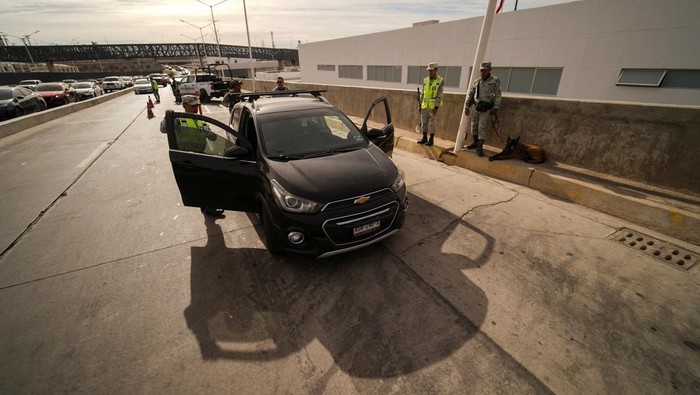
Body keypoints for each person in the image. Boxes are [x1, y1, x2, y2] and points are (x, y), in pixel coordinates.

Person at [160, 95, 225, 217]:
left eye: (197, 105)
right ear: (184, 105)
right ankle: (207, 207)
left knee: (206, 183)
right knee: (199, 184)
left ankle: (208, 205)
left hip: (202, 156)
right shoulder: (178, 119)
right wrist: (167, 118)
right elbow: (163, 129)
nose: (195, 108)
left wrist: (209, 134)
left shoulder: (200, 120)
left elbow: (212, 137)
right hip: (187, 158)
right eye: (193, 105)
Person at [464, 62, 502, 157]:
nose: (482, 72)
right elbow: (471, 94)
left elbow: (498, 94)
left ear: (489, 70)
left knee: (482, 127)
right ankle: (475, 142)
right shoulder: (477, 81)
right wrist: (466, 106)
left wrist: (496, 107)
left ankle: (479, 147)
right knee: (474, 125)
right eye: (481, 70)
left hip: (485, 108)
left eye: (484, 70)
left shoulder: (495, 80)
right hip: (475, 106)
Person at [417, 62, 444, 147]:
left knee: (432, 124)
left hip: (433, 107)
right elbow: (422, 93)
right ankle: (424, 138)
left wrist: (436, 106)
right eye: (429, 70)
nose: (429, 72)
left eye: (431, 70)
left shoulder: (440, 80)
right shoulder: (425, 80)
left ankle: (431, 140)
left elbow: (440, 94)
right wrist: (420, 104)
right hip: (424, 105)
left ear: (436, 70)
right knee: (424, 122)